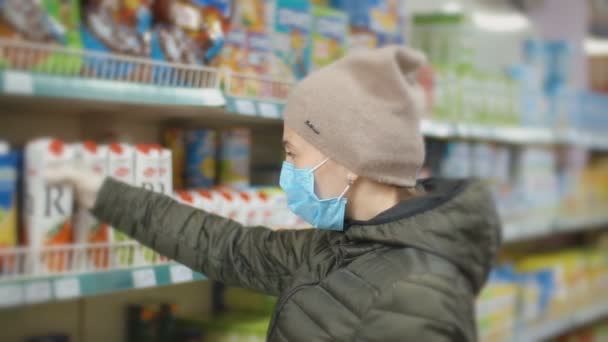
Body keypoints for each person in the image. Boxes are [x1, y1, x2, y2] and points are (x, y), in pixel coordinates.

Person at [47, 46, 501, 341]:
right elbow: (225, 247)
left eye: (293, 153)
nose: (287, 172)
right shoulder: (344, 247)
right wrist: (101, 191)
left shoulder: (420, 295)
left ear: (349, 159)